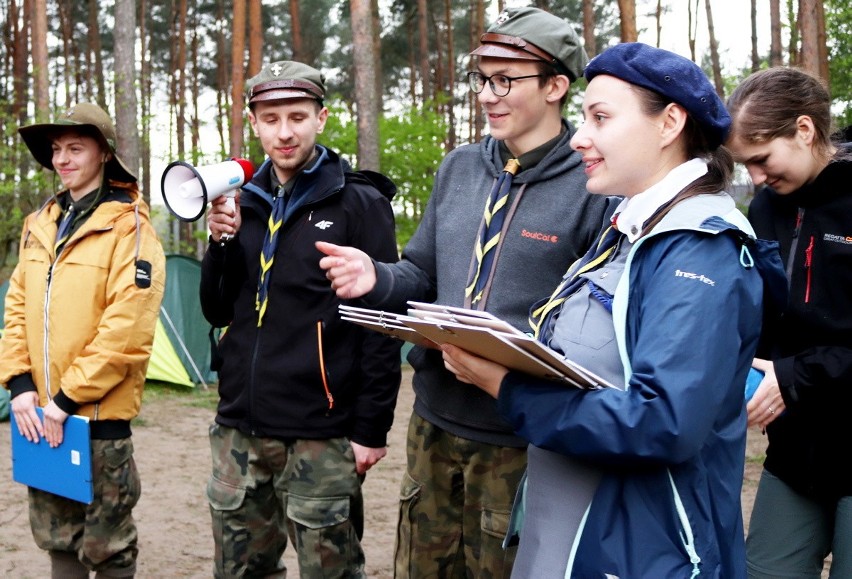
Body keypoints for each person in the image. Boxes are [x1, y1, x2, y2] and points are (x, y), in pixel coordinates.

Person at [438, 42, 788, 577]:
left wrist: (506, 389)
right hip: (577, 529)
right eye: (584, 118)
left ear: (670, 122)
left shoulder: (698, 248)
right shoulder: (628, 229)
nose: (579, 137)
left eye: (601, 117)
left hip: (641, 549)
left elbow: (664, 423)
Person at [318, 7, 612, 577]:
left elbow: (589, 328)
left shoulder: (592, 184)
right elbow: (421, 274)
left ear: (556, 86)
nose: (487, 94)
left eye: (506, 79)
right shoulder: (459, 168)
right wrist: (376, 277)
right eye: (482, 77)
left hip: (520, 438)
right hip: (432, 424)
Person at [199, 60, 401, 579]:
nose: (284, 132)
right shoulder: (240, 199)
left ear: (322, 118)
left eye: (297, 116)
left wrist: (371, 430)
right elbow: (218, 311)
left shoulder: (360, 201)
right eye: (270, 118)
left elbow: (381, 323)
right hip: (238, 432)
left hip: (322, 434)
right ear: (253, 121)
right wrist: (220, 244)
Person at [0, 102, 166, 578]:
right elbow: (15, 309)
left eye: (76, 148)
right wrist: (21, 386)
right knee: (58, 537)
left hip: (96, 419)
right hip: (40, 416)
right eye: (56, 149)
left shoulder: (129, 227)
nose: (63, 159)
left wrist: (67, 399)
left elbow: (128, 329)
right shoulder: (40, 224)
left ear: (104, 155)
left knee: (107, 546)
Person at [726, 67, 852, 578]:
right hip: (796, 447)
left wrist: (797, 376)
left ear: (804, 130)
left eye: (761, 159)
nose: (755, 177)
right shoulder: (766, 208)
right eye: (745, 164)